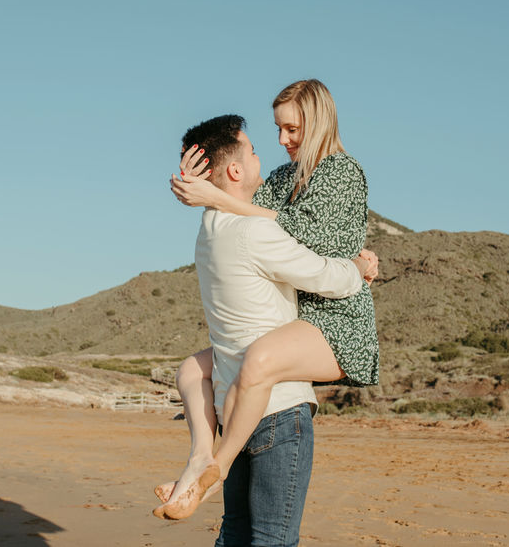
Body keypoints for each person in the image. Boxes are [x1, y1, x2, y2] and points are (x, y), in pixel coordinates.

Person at [157, 79, 379, 522]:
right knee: (193, 369)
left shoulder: (342, 171)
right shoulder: (280, 178)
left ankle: (216, 467)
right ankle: (200, 461)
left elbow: (303, 232)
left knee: (258, 361)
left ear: (318, 122)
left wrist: (358, 267)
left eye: (291, 129)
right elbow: (238, 197)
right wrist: (201, 179)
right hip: (298, 317)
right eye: (278, 129)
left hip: (335, 318)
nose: (282, 139)